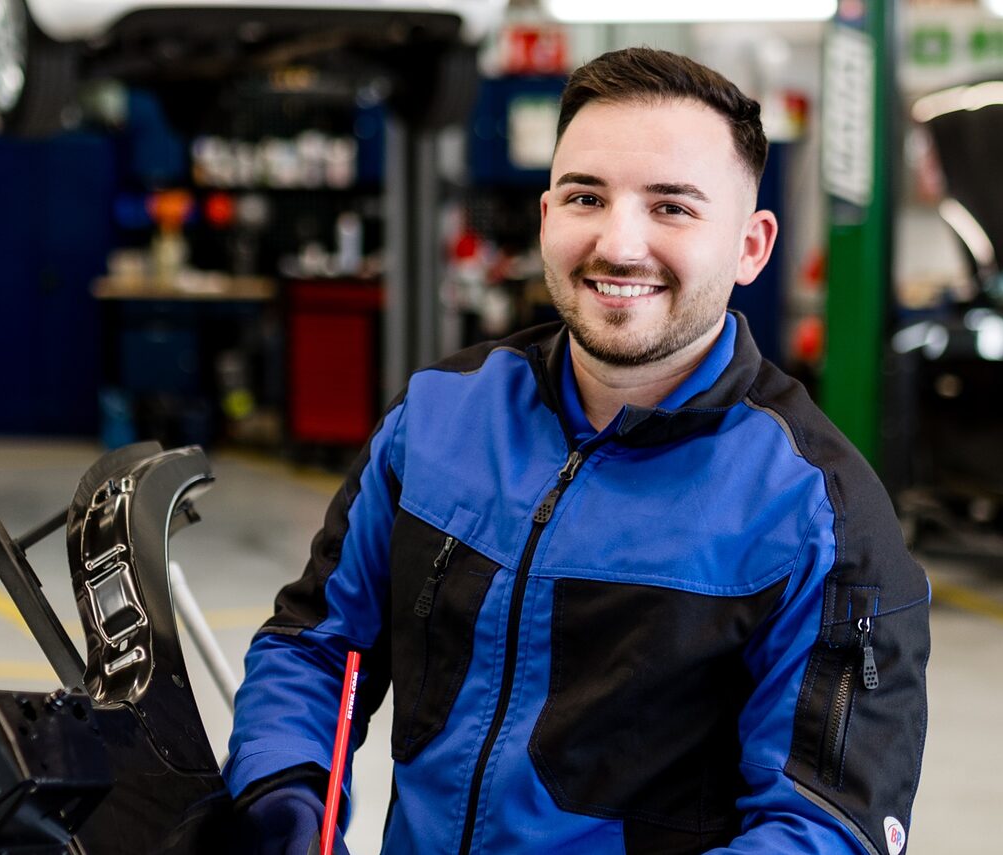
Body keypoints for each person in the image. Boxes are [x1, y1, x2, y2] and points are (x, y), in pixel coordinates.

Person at [227, 46, 929, 855]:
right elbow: (315, 645)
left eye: (672, 207)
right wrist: (283, 789)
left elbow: (824, 827)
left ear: (751, 246)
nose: (618, 244)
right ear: (546, 216)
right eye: (586, 196)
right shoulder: (439, 417)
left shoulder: (819, 514)